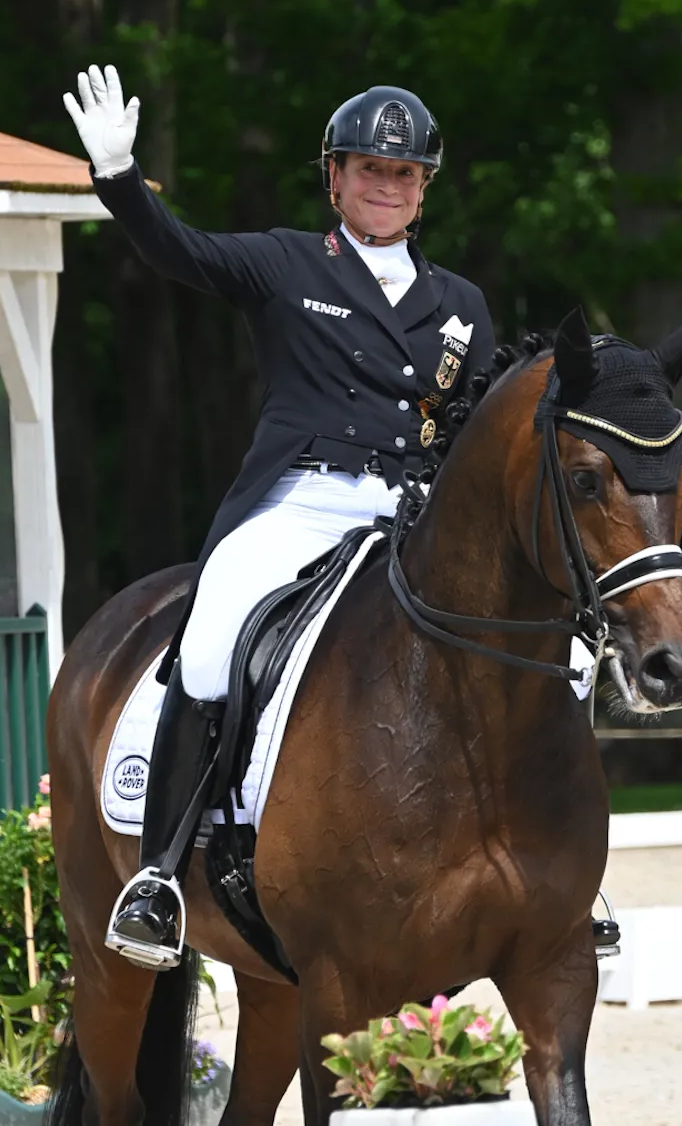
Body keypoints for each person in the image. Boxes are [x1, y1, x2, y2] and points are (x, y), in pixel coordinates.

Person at [65, 65, 496, 967]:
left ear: (424, 191)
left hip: (412, 514)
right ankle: (158, 875)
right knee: (216, 630)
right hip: (304, 501)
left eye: (404, 174)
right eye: (368, 169)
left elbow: (475, 428)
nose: (386, 186)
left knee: (541, 645)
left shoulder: (460, 307)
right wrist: (118, 180)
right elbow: (178, 251)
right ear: (333, 177)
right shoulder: (288, 262)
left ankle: (549, 864)